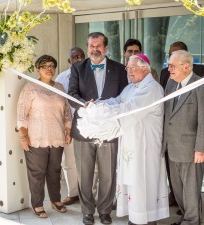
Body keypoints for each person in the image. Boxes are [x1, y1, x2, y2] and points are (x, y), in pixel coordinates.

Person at [96, 54, 169, 225]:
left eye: (132, 68)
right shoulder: (131, 87)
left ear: (145, 68)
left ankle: (147, 218)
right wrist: (99, 105)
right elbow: (117, 101)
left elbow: (131, 109)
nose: (128, 71)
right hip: (131, 143)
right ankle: (136, 216)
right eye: (127, 68)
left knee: (144, 180)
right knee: (133, 180)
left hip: (146, 146)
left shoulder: (151, 87)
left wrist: (105, 114)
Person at [68, 32, 128, 225]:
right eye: (91, 46)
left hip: (109, 130)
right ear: (87, 47)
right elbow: (72, 94)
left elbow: (125, 95)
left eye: (98, 46)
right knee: (84, 174)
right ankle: (87, 211)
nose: (95, 50)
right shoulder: (77, 68)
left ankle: (104, 211)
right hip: (84, 130)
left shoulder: (120, 69)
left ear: (106, 47)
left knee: (108, 174)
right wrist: (84, 104)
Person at [163, 50, 204, 225]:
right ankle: (186, 218)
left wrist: (201, 148)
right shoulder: (171, 84)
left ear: (186, 66)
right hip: (172, 148)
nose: (168, 69)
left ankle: (193, 221)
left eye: (172, 66)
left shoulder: (203, 86)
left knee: (191, 191)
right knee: (178, 190)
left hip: (191, 149)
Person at [17, 55, 72, 218]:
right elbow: (21, 113)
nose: (49, 69)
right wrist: (23, 136)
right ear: (38, 69)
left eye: (52, 66)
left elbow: (67, 111)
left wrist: (68, 130)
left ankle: (56, 200)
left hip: (57, 137)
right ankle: (38, 204)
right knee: (37, 173)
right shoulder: (30, 87)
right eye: (45, 66)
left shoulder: (60, 87)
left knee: (55, 171)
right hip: (36, 137)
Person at [56, 47, 85, 205]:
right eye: (75, 57)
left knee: (89, 162)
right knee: (68, 161)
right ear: (69, 61)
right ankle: (73, 193)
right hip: (68, 124)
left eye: (81, 56)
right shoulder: (61, 78)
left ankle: (89, 194)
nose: (79, 59)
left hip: (87, 124)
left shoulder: (91, 75)